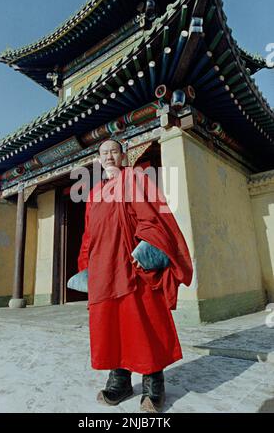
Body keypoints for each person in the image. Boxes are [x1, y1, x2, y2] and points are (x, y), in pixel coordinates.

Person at [76, 138, 193, 412]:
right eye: (104, 153)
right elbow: (89, 236)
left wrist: (147, 250)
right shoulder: (93, 195)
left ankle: (153, 385)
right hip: (104, 271)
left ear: (123, 156)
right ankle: (119, 381)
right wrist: (85, 267)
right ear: (98, 159)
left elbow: (155, 216)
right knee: (111, 326)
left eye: (114, 151)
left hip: (134, 267)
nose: (109, 156)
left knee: (144, 323)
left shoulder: (137, 179)